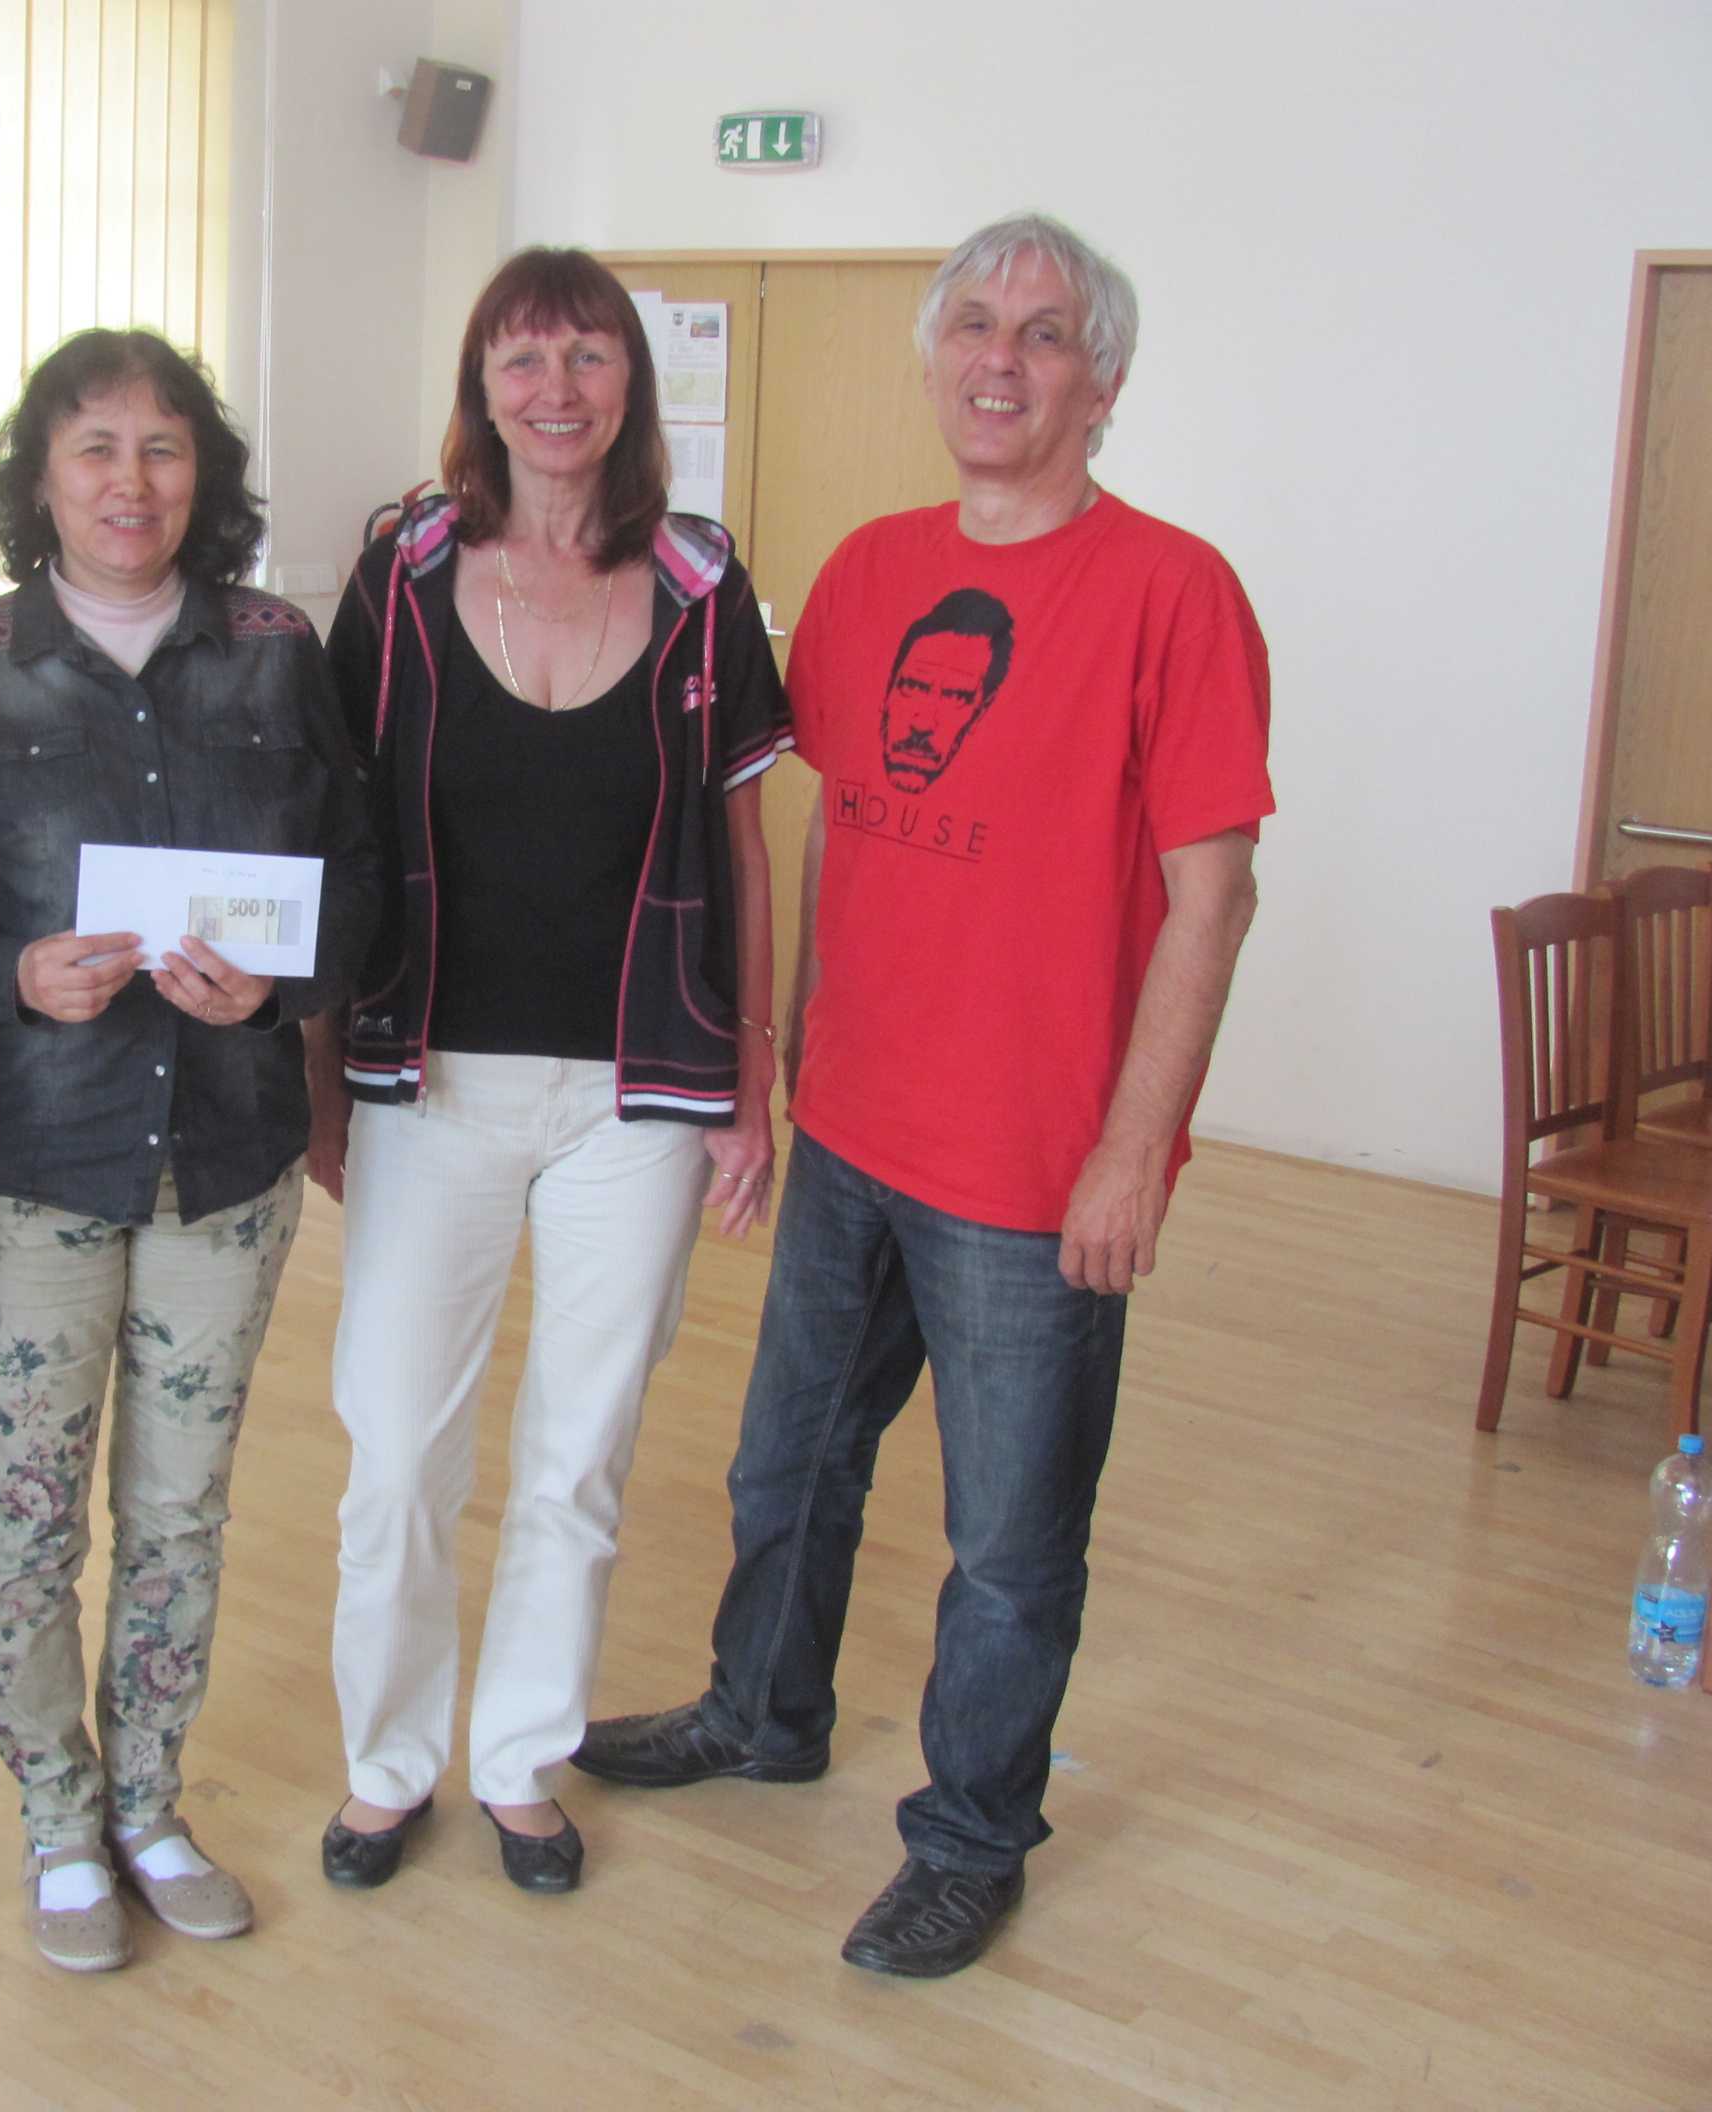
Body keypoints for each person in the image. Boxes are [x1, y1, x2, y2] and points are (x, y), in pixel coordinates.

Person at [573, 213, 1273, 1978]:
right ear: (935, 357)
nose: (998, 360)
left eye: (1043, 334)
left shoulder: (1173, 590)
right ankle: (762, 1712)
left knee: (1010, 1545)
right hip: (855, 1129)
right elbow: (834, 828)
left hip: (1034, 1170)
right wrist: (791, 1048)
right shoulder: (874, 569)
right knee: (786, 1462)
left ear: (1103, 382)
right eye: (972, 325)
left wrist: (1135, 1150)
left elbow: (1213, 896)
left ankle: (971, 1838)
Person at [309, 247, 788, 1896]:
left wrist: (753, 1076)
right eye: (522, 359)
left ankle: (519, 1759)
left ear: (630, 385)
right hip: (427, 1081)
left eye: (587, 355)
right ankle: (388, 1767)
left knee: (576, 1458)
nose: (555, 390)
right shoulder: (402, 573)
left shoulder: (705, 586)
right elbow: (338, 832)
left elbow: (743, 846)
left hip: (637, 1096)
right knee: (396, 1454)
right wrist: (321, 1073)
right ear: (482, 388)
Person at [0, 328, 377, 1974]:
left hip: (224, 1166)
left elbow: (361, 884)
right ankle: (58, 1821)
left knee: (179, 1514)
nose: (130, 481)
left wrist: (285, 990)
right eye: (94, 447)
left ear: (204, 476)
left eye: (164, 447)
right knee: (30, 1516)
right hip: (27, 1162)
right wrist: (6, 974)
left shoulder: (277, 652)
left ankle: (152, 1806)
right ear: (39, 477)